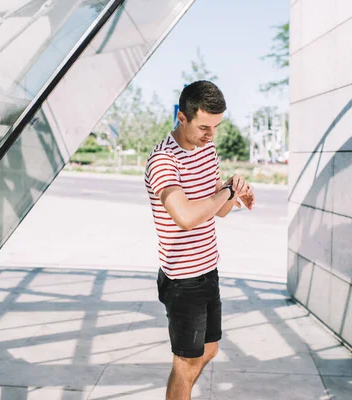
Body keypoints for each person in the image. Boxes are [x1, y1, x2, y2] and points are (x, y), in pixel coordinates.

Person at [144, 80, 255, 400]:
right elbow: (186, 216)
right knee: (186, 361)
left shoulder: (208, 151)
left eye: (216, 127)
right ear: (182, 117)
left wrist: (236, 193)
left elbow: (217, 212)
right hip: (183, 279)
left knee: (208, 350)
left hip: (208, 270)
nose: (211, 136)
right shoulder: (164, 161)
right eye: (204, 127)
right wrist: (226, 191)